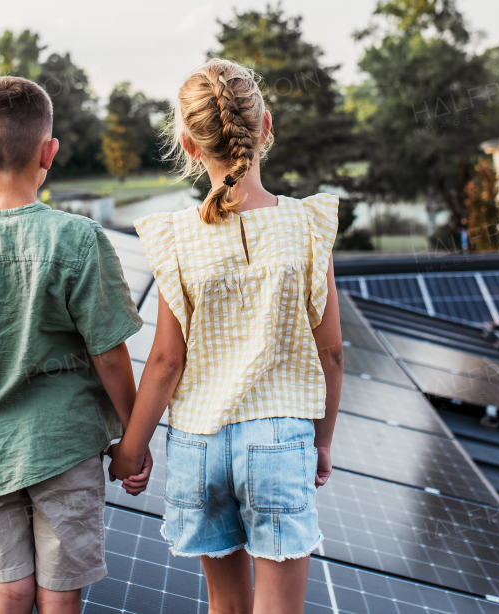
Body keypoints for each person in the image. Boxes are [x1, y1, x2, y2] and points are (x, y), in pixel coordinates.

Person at [108, 59, 344, 614]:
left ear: (188, 144)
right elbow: (330, 352)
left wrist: (131, 449)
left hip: (197, 444)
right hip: (280, 437)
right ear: (265, 127)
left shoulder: (176, 237)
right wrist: (324, 438)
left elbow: (166, 361)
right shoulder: (307, 225)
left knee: (227, 608)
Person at [0, 76, 151, 614]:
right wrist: (132, 440)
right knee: (59, 592)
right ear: (50, 153)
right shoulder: (79, 239)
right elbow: (109, 354)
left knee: (9, 588)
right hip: (66, 447)